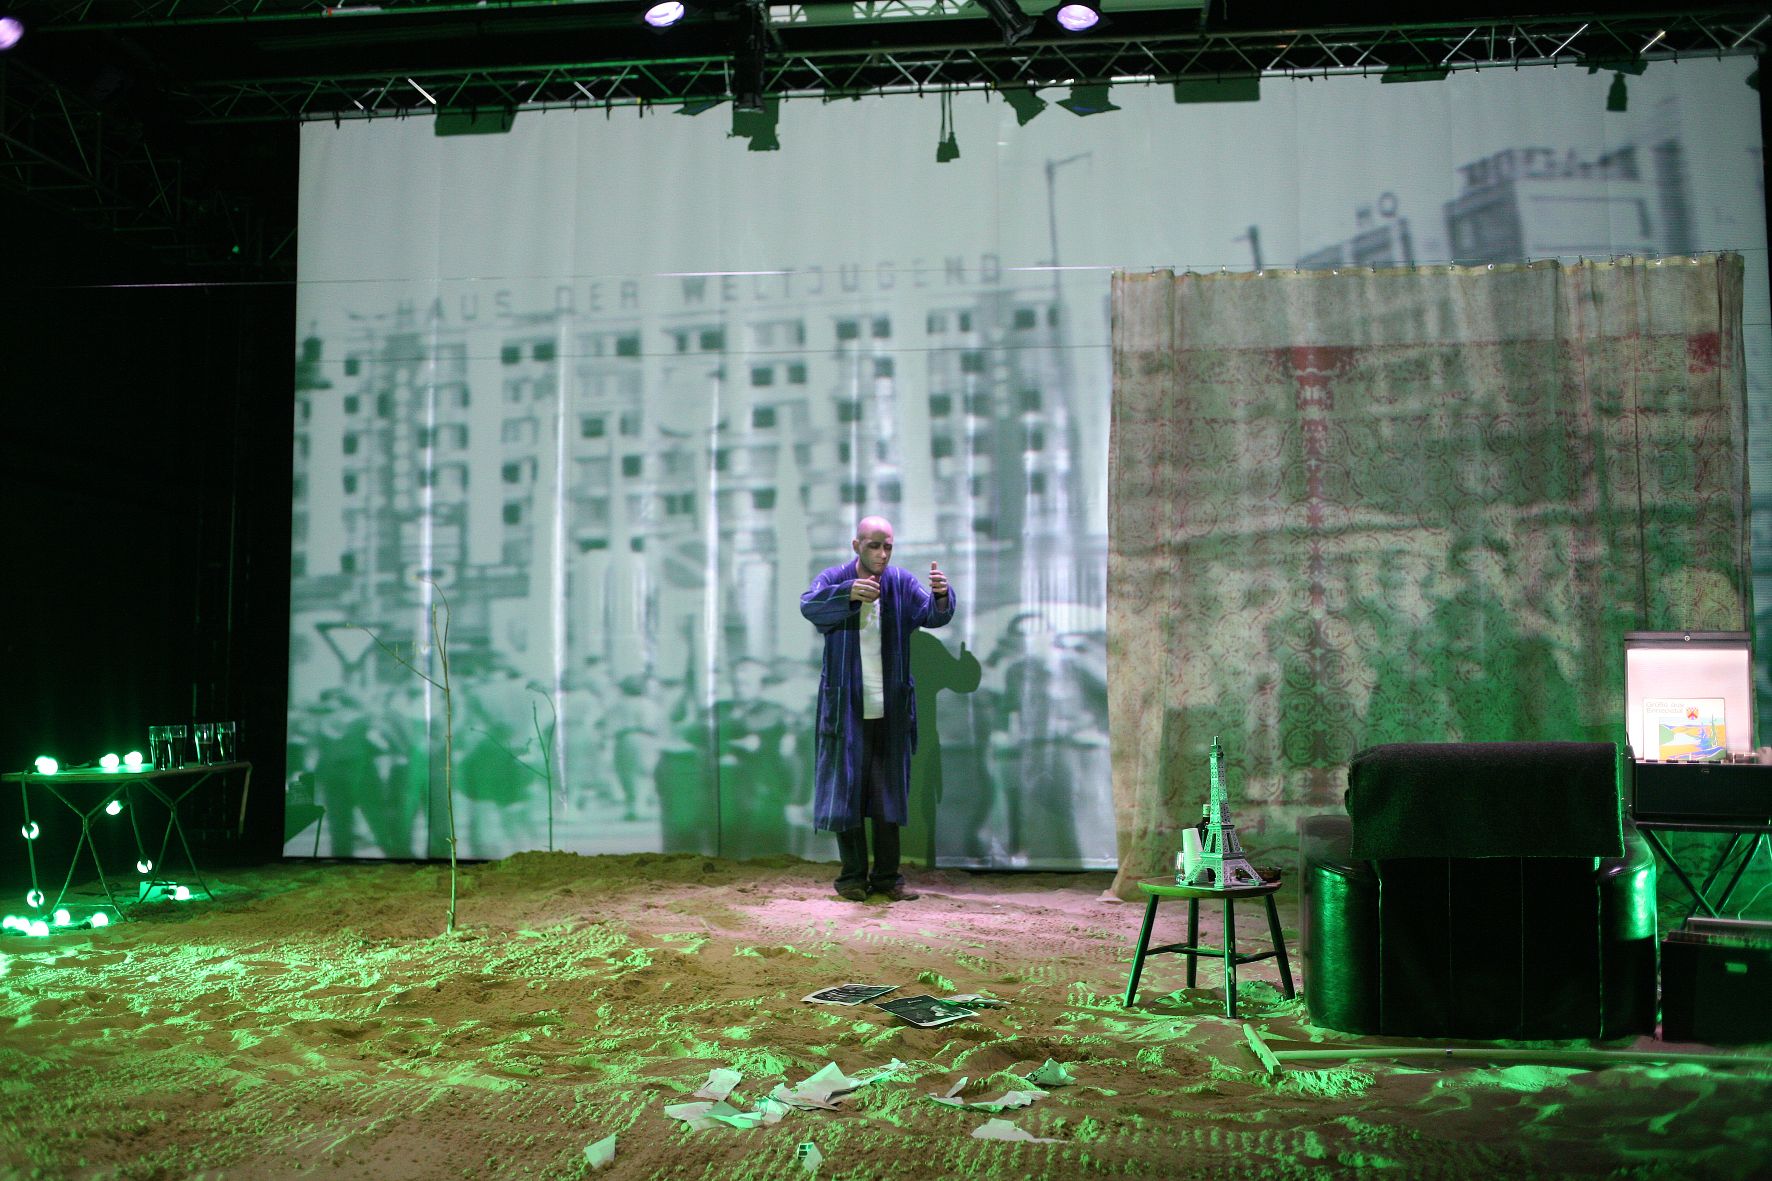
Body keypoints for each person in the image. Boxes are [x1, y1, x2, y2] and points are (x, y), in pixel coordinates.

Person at [800, 516, 956, 901]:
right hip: (846, 710)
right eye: (874, 546)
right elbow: (809, 606)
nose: (882, 554)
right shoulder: (835, 578)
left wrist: (941, 594)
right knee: (847, 794)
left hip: (891, 710)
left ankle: (888, 879)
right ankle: (852, 878)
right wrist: (848, 594)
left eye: (888, 546)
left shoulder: (900, 582)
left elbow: (932, 615)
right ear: (857, 546)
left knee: (888, 796)